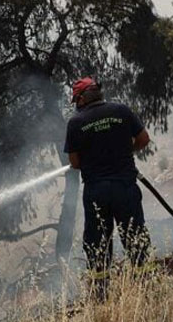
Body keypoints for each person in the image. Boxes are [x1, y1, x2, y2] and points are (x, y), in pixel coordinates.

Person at [63, 76, 151, 283]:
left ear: (82, 99)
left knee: (98, 244)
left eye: (76, 101)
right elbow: (144, 139)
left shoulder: (76, 122)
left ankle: (100, 292)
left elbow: (75, 162)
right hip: (125, 188)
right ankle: (145, 287)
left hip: (96, 192)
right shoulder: (121, 111)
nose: (77, 105)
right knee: (135, 238)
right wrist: (123, 151)